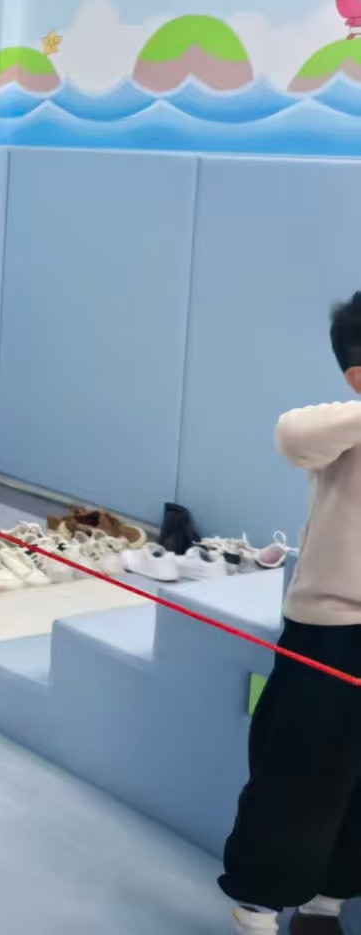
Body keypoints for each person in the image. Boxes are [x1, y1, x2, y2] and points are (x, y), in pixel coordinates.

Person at [222, 293, 361, 935]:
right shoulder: (338, 428)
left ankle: (326, 904)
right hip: (330, 632)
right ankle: (256, 910)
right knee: (297, 774)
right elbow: (292, 435)